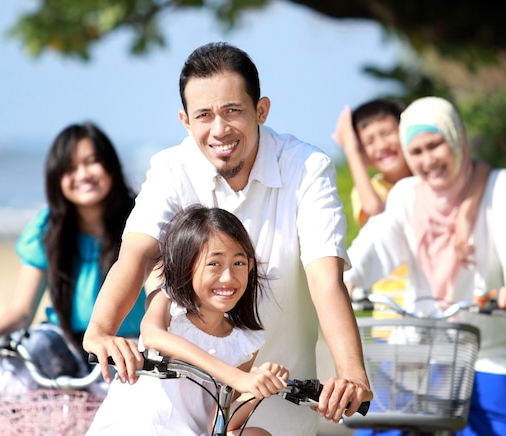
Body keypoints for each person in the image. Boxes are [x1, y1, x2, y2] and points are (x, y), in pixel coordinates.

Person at [83, 42, 372, 435]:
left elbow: (325, 277)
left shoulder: (307, 167)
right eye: (204, 115)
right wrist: (100, 328)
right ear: (186, 121)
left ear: (261, 110)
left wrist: (351, 372)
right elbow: (135, 253)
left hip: (280, 391)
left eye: (232, 111)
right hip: (173, 406)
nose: (219, 129)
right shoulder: (171, 168)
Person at [344, 96, 506, 435]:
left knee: (505, 427)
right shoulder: (406, 194)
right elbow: (373, 245)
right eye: (416, 152)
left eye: (436, 145)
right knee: (373, 425)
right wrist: (345, 279)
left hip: (487, 350)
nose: (428, 160)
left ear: (456, 138)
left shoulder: (495, 185)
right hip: (421, 346)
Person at [0, 122, 147, 396]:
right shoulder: (47, 230)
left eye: (92, 162)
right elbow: (22, 310)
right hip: (68, 347)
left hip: (128, 347)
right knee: (33, 346)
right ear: (56, 178)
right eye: (71, 168)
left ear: (111, 165)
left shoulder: (142, 222)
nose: (83, 174)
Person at [87, 205, 289, 435]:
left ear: (250, 266)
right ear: (188, 265)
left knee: (257, 434)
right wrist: (236, 377)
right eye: (214, 263)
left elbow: (218, 423)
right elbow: (154, 336)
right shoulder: (168, 302)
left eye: (239, 263)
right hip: (131, 428)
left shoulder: (245, 342)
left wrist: (256, 388)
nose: (228, 277)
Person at [332, 99, 490, 301]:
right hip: (391, 306)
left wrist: (465, 216)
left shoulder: (431, 180)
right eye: (369, 142)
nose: (381, 145)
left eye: (387, 133)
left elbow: (480, 169)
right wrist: (351, 149)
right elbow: (374, 210)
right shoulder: (371, 190)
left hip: (436, 295)